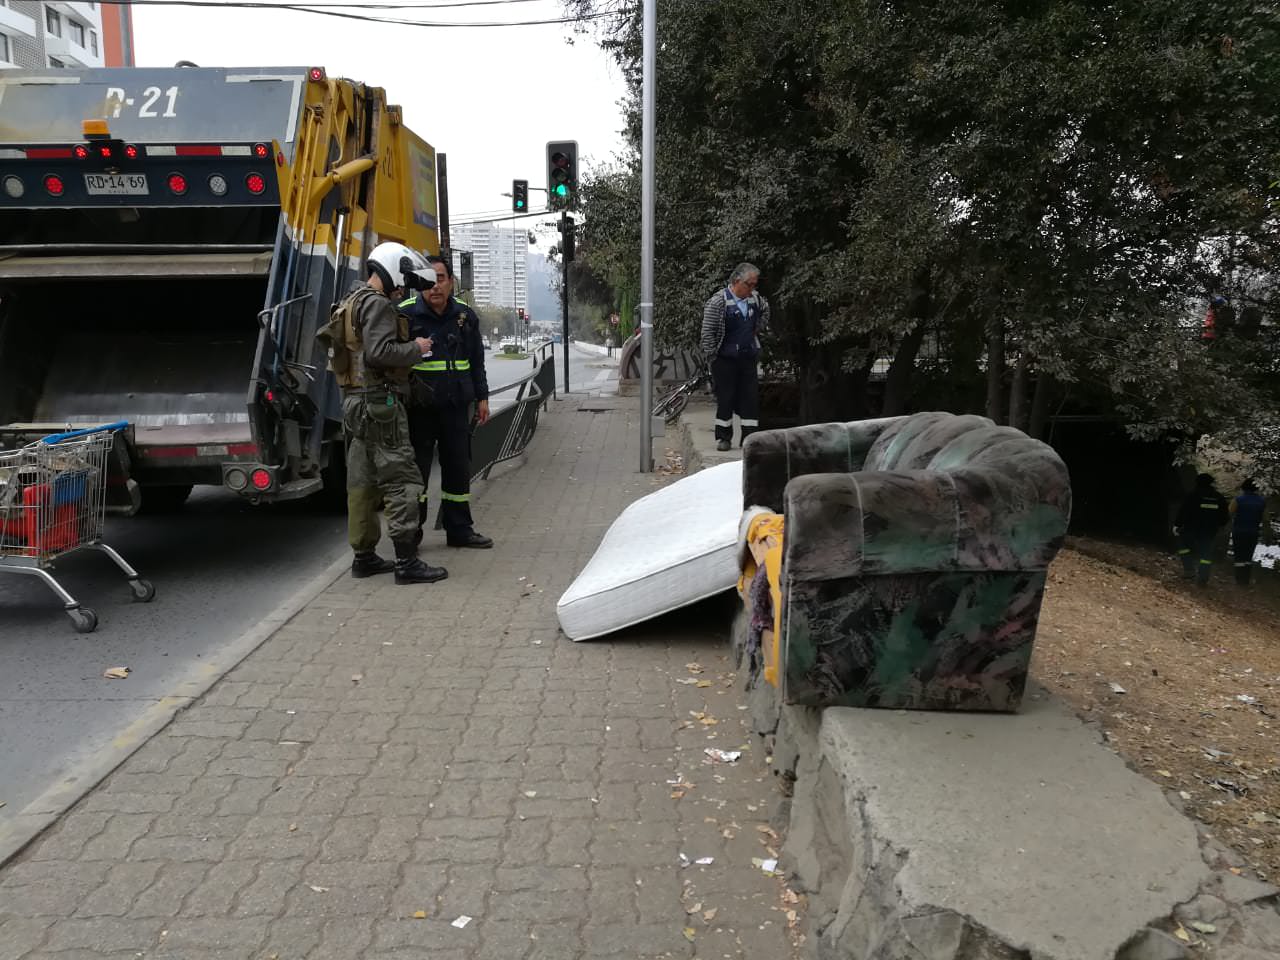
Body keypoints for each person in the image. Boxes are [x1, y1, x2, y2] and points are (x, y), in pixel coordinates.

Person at [324, 241, 448, 584]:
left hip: (355, 402)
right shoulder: (376, 305)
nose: (403, 289)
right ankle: (407, 562)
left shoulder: (352, 301)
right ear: (391, 268)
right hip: (380, 403)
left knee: (362, 481)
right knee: (402, 478)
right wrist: (416, 348)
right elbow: (379, 353)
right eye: (403, 280)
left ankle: (363, 557)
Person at [399, 255, 493, 549]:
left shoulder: (465, 316)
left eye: (440, 279)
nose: (434, 286)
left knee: (458, 469)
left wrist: (482, 397)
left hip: (455, 409)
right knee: (417, 475)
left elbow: (476, 361)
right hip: (419, 410)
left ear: (451, 282)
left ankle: (460, 530)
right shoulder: (403, 314)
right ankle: (412, 535)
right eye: (428, 280)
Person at [700, 262, 770, 452]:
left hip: (747, 358)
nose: (752, 288)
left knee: (750, 398)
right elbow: (708, 332)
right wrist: (712, 357)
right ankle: (724, 437)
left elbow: (765, 314)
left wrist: (756, 330)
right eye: (749, 284)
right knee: (726, 398)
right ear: (737, 281)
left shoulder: (755, 300)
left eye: (755, 285)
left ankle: (750, 440)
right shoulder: (719, 302)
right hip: (724, 360)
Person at [1174, 473, 1229, 585]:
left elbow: (1183, 511)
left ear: (1197, 482)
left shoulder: (1193, 495)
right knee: (1206, 553)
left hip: (1191, 528)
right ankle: (1203, 577)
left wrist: (1177, 525)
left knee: (1183, 545)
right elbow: (1225, 516)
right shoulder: (1219, 497)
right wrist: (1220, 525)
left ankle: (1189, 570)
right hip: (1209, 531)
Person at [1229, 478, 1267, 585]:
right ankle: (1246, 579)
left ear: (1243, 488)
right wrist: (1266, 533)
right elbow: (1266, 519)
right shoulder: (1262, 502)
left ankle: (1239, 579)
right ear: (1256, 488)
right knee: (1248, 556)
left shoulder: (1238, 500)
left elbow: (1228, 514)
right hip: (1253, 532)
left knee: (1239, 555)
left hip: (1239, 531)